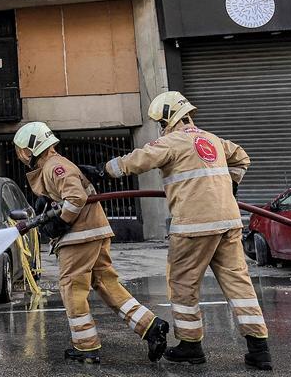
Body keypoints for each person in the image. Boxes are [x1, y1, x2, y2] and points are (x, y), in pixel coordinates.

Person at [86, 91, 272, 371]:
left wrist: (103, 170)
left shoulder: (170, 141)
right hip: (229, 223)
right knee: (240, 285)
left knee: (184, 286)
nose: (159, 127)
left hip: (193, 227)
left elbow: (138, 159)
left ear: (166, 118)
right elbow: (242, 157)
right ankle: (260, 351)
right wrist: (230, 187)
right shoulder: (212, 139)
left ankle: (191, 346)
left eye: (160, 121)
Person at [13, 121, 169, 365]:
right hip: (94, 232)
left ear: (31, 148)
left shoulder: (54, 166)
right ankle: (150, 326)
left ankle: (86, 347)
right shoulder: (57, 164)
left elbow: (76, 197)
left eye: (22, 150)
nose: (21, 156)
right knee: (105, 283)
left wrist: (61, 223)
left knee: (72, 288)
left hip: (79, 238)